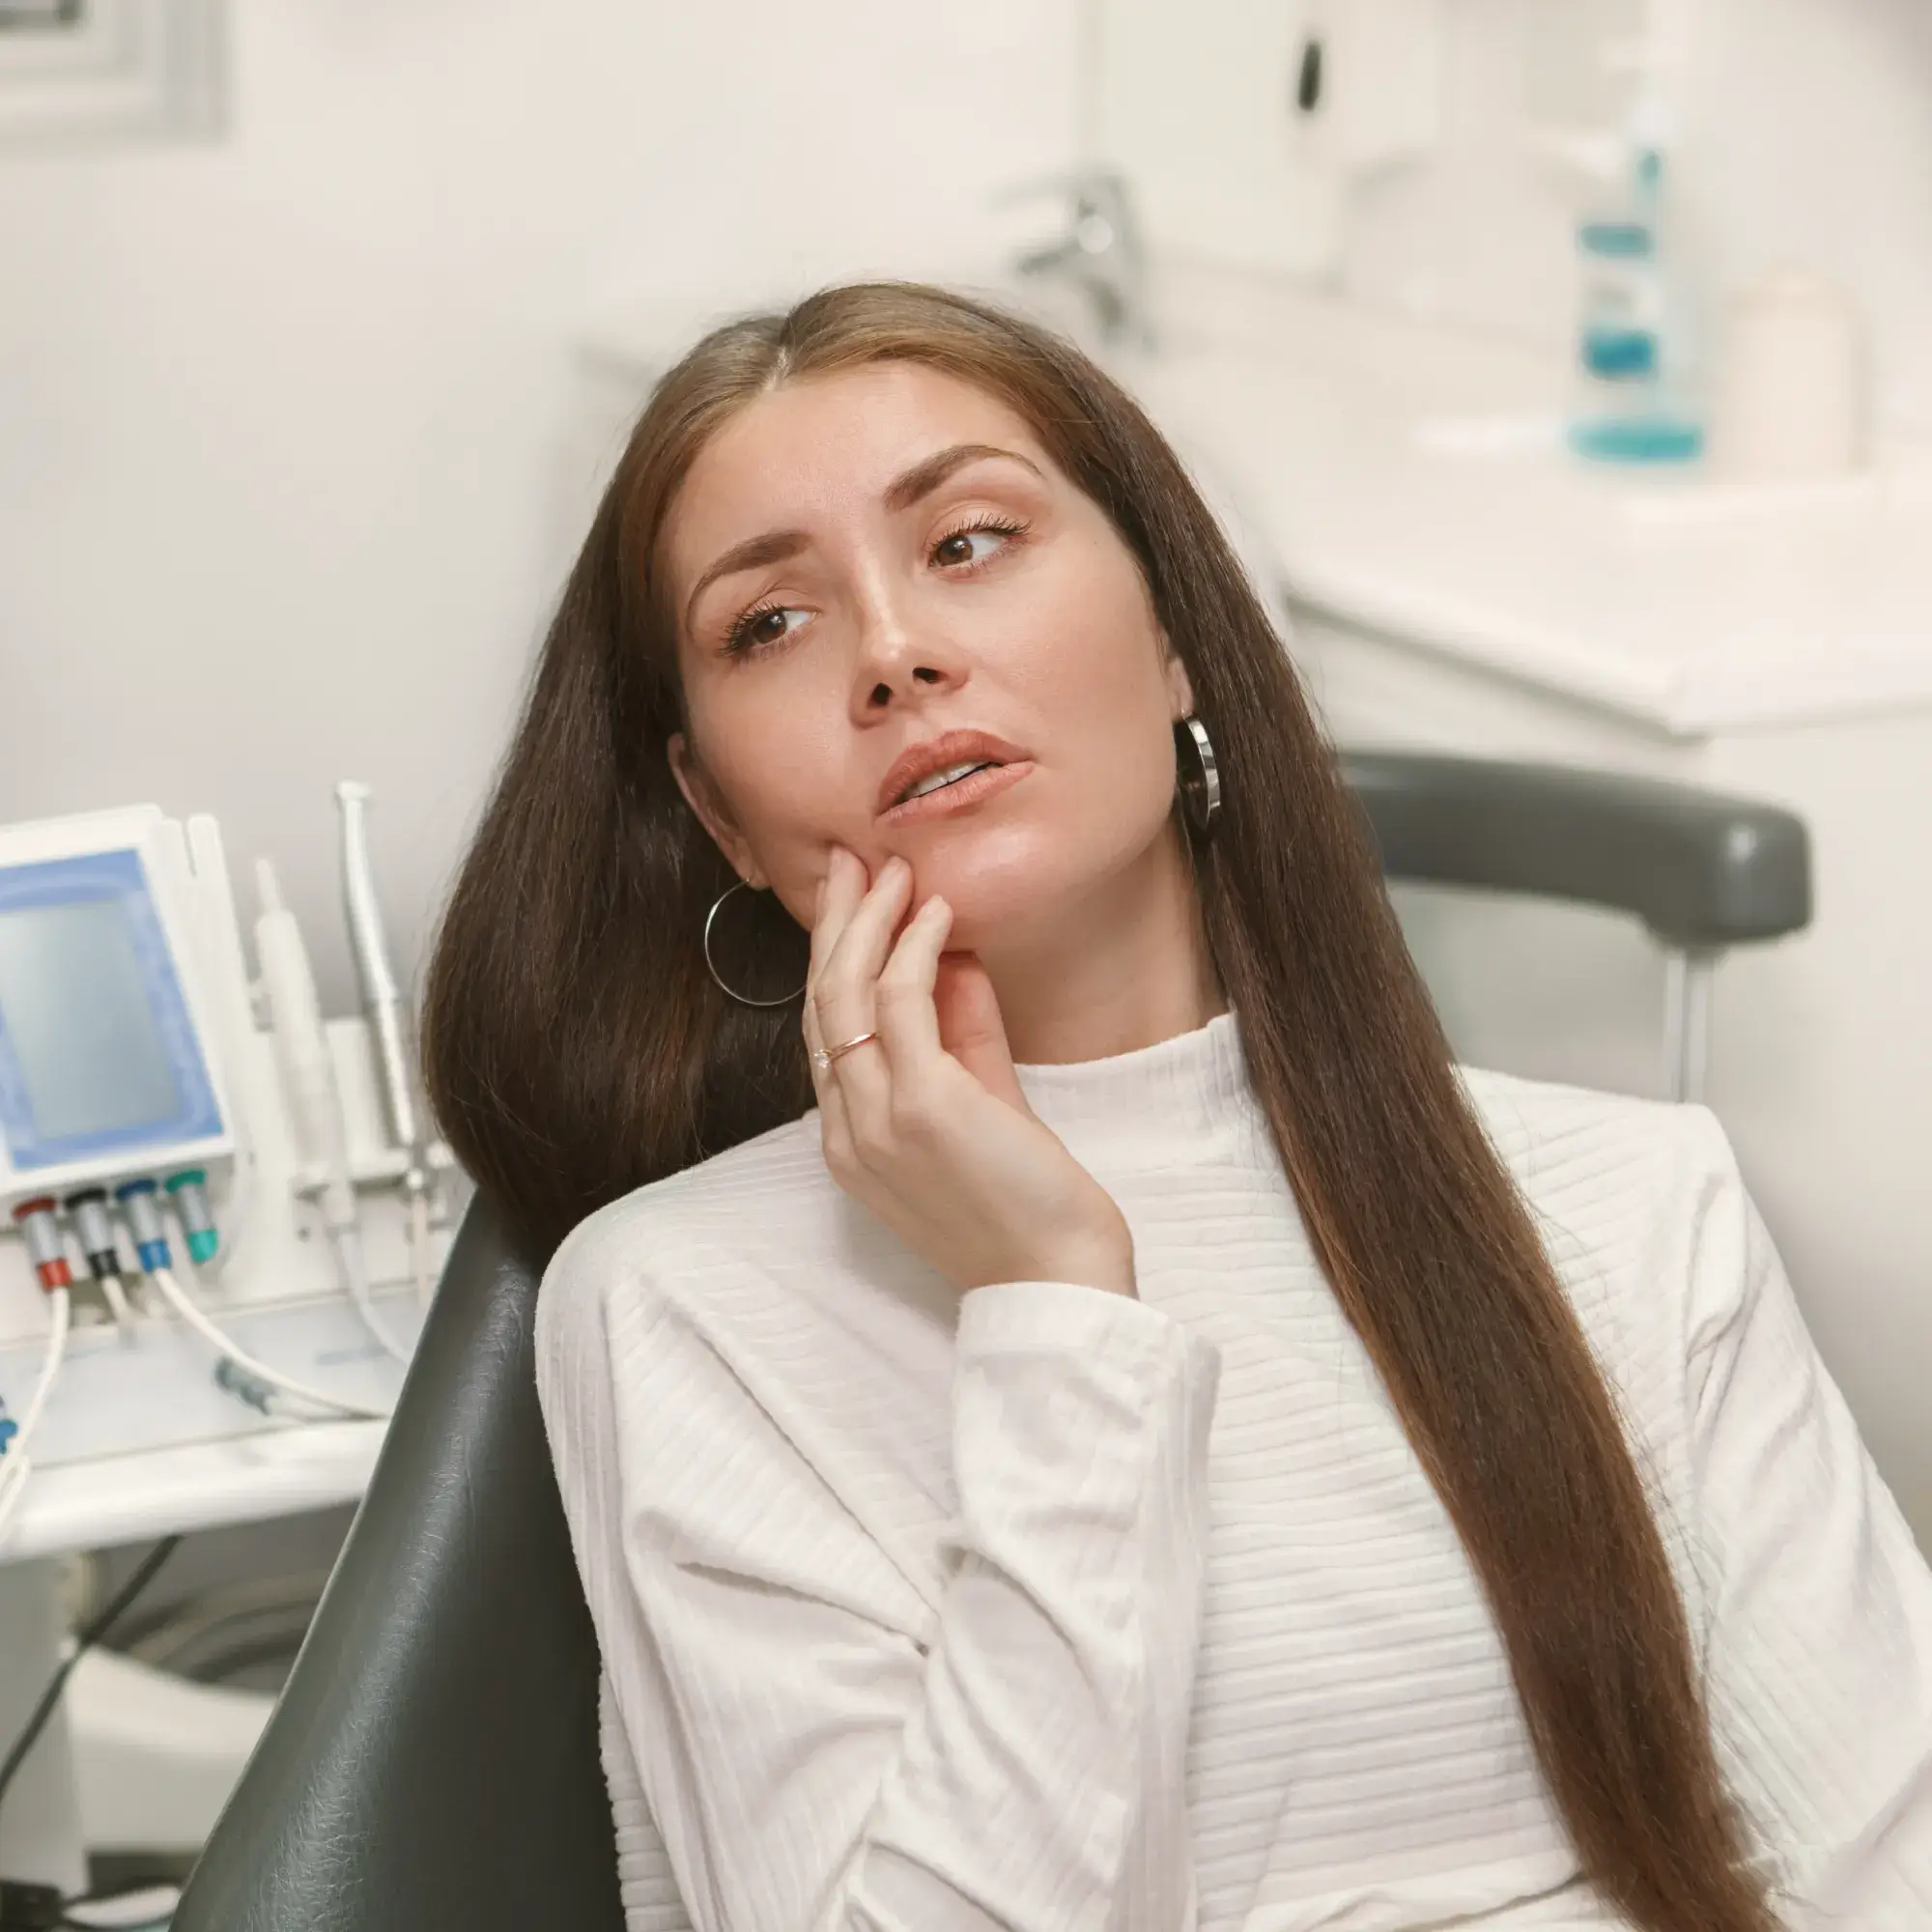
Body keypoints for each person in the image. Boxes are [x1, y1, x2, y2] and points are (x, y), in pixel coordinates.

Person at [420, 282, 1932, 1932]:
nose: (897, 654)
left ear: (1174, 632)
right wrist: (1051, 1301)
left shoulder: (1639, 1207)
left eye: (972, 541)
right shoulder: (677, 1308)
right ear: (718, 813)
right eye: (768, 625)